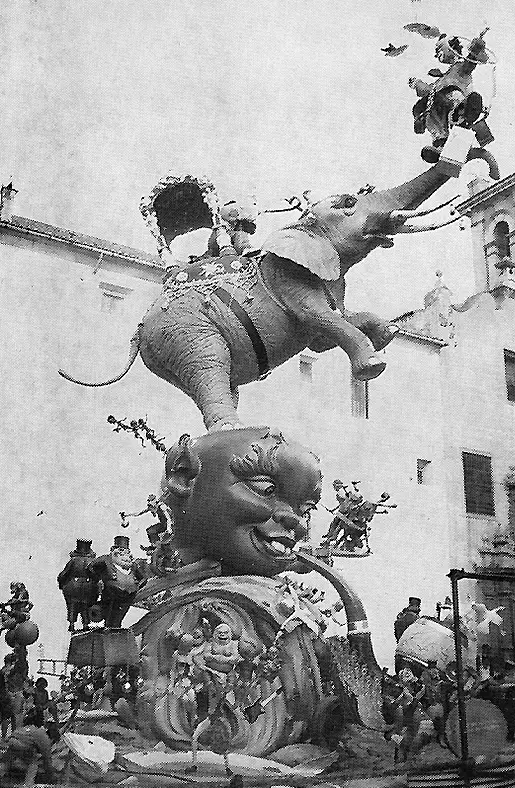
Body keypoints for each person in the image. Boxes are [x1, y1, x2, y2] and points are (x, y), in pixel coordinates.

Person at [3, 707, 56, 785]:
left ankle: (3, 776)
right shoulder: (42, 735)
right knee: (34, 761)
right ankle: (28, 783)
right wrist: (51, 776)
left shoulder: (27, 727)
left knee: (6, 763)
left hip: (11, 741)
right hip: (20, 744)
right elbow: (47, 758)